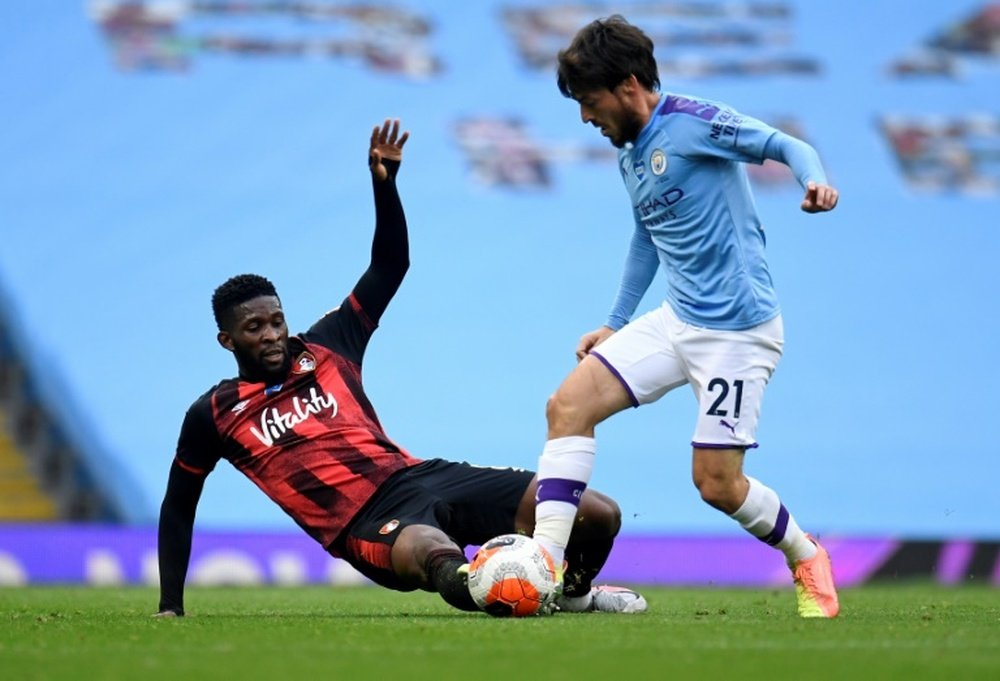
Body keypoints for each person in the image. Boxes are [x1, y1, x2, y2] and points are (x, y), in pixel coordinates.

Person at [154, 119, 646, 617]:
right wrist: (170, 605)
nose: (271, 334)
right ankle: (503, 588)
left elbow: (390, 265)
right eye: (254, 328)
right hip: (364, 522)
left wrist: (383, 186)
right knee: (437, 554)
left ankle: (575, 595)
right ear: (227, 340)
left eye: (276, 321)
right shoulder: (214, 413)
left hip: (420, 477)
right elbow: (178, 506)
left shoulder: (328, 344)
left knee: (598, 515)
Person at [530, 16, 840, 618]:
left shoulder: (696, 124)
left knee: (717, 485)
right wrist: (617, 322)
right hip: (678, 322)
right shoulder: (629, 154)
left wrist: (816, 181)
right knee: (566, 406)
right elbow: (648, 235)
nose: (586, 119)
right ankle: (545, 567)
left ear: (626, 86)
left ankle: (806, 556)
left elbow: (784, 145)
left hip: (739, 334)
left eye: (590, 103)